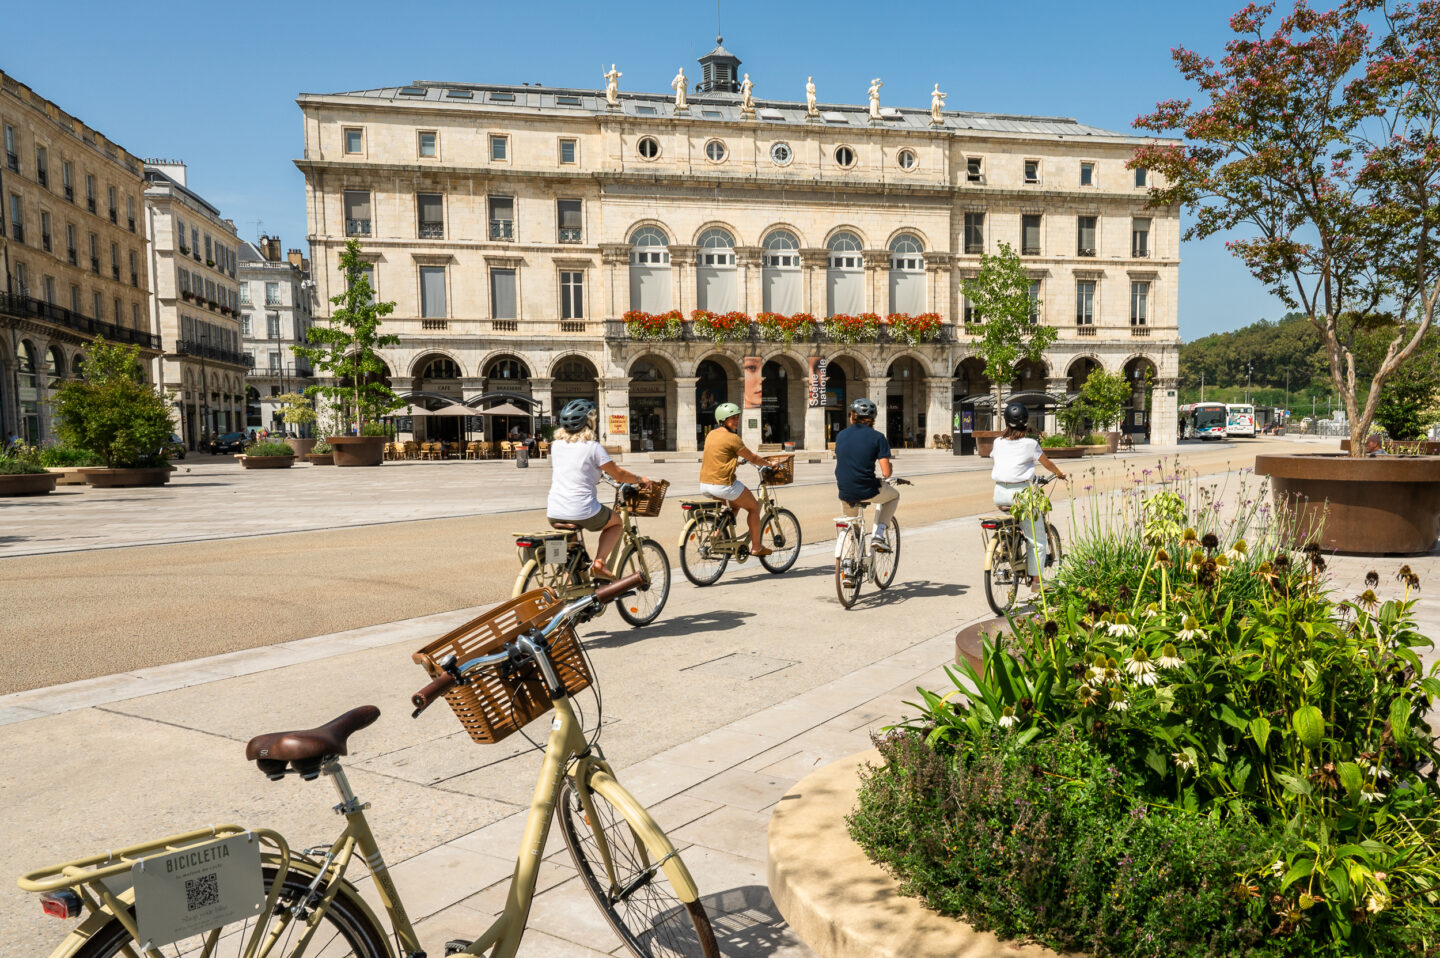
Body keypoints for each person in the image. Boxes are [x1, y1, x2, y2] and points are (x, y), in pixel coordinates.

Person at [546, 399, 654, 581]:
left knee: (570, 554)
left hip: (554, 511)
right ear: (589, 422)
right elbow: (618, 474)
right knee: (617, 522)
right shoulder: (593, 448)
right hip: (582, 509)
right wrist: (639, 479)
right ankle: (599, 564)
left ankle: (562, 580)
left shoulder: (556, 446)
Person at [991, 401, 1066, 587]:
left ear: (1006, 422)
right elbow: (1046, 463)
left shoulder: (997, 442)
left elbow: (1001, 460)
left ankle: (1008, 546)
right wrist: (1059, 473)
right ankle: (1036, 581)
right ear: (1026, 422)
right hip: (1023, 495)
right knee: (1037, 539)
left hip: (1000, 494)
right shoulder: (1030, 443)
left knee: (1017, 521)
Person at [700, 403, 773, 557]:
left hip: (705, 485)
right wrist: (768, 464)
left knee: (735, 507)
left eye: (737, 418)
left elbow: (719, 455)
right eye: (732, 418)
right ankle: (757, 547)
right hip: (722, 485)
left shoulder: (711, 434)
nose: (736, 421)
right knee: (753, 507)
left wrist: (735, 462)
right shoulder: (733, 438)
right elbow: (752, 457)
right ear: (723, 420)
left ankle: (717, 535)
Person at [834, 398, 899, 553]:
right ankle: (878, 535)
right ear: (873, 419)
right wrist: (889, 466)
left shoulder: (841, 436)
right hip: (867, 489)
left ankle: (849, 567)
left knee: (852, 525)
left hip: (844, 490)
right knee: (894, 496)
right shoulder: (878, 437)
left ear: (852, 416)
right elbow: (886, 473)